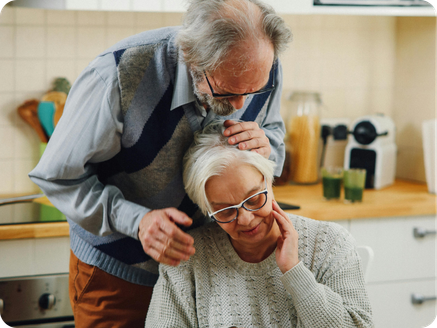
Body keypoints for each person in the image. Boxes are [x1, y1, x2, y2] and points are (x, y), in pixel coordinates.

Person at [28, 0, 292, 326]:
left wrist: (267, 147)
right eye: (226, 93)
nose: (241, 105)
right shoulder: (116, 77)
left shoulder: (262, 68)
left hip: (214, 272)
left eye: (253, 91)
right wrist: (136, 222)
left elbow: (274, 136)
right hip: (122, 277)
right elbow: (58, 178)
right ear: (192, 58)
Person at [145, 121, 374, 328]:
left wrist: (294, 272)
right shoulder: (186, 259)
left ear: (270, 181)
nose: (245, 219)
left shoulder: (330, 243)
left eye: (254, 199)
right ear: (208, 210)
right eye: (225, 211)